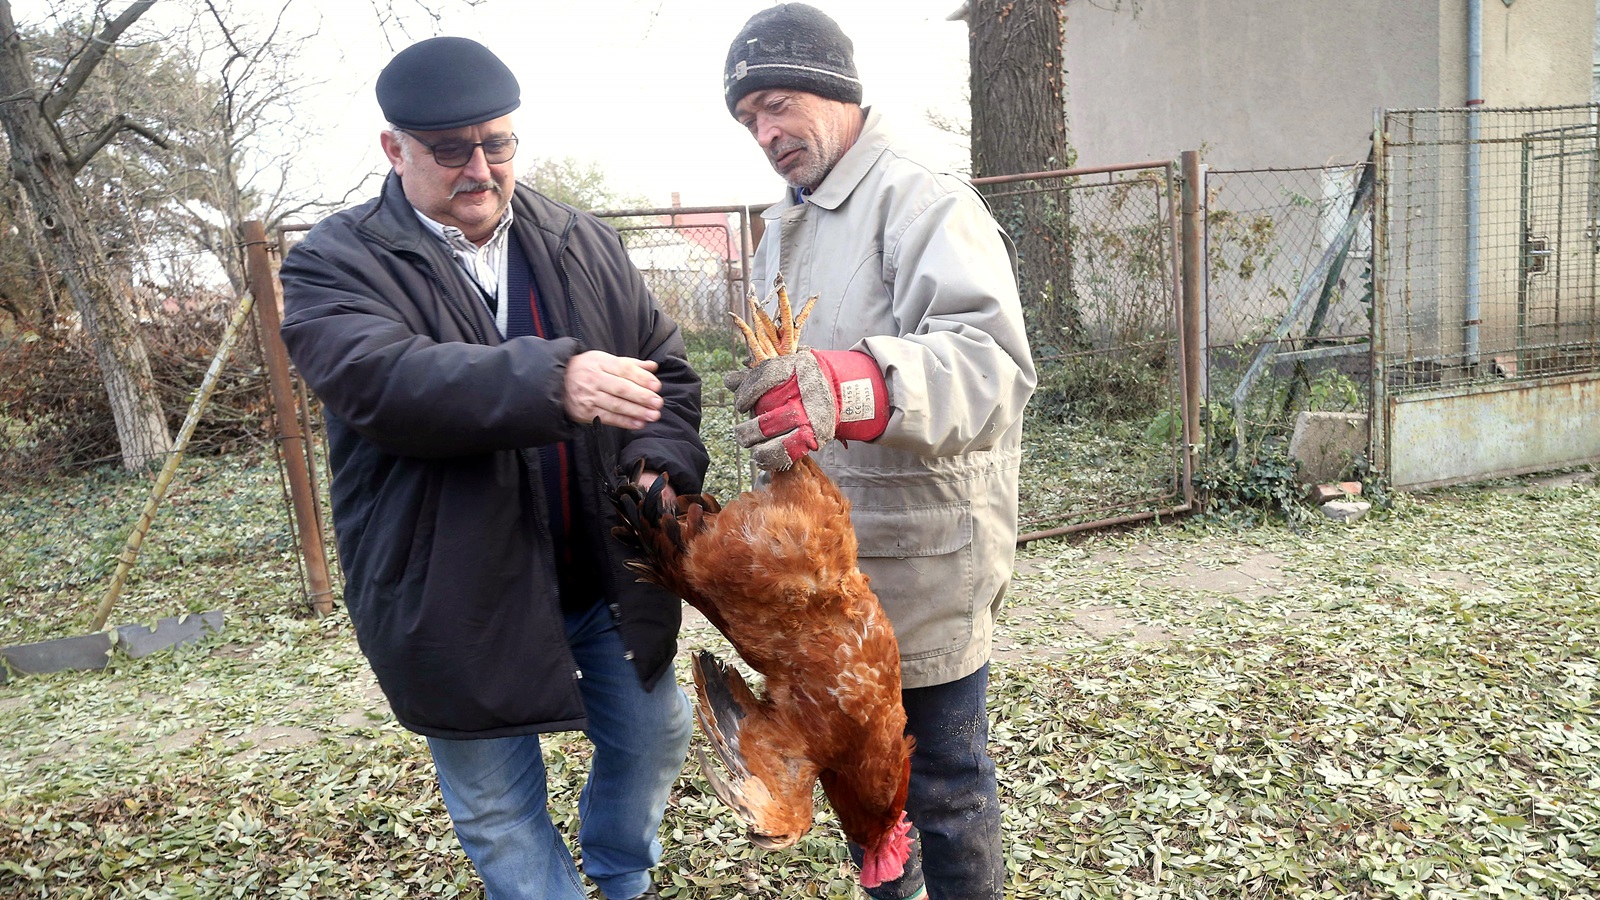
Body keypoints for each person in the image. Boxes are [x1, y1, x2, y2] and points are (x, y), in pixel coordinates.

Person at [278, 36, 707, 900]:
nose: (479, 166)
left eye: (497, 142)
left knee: (656, 736)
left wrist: (657, 467)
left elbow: (665, 375)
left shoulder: (579, 238)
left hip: (603, 571)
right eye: (450, 148)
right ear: (394, 150)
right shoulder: (334, 262)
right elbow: (386, 382)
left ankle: (621, 874)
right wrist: (560, 377)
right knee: (497, 808)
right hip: (452, 589)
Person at [720, 5, 1038, 899]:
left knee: (945, 786)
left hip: (921, 568)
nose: (766, 132)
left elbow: (994, 368)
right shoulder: (781, 230)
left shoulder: (923, 199)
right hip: (827, 582)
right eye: (749, 120)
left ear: (836, 90)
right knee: (865, 790)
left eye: (777, 104)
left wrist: (852, 384)